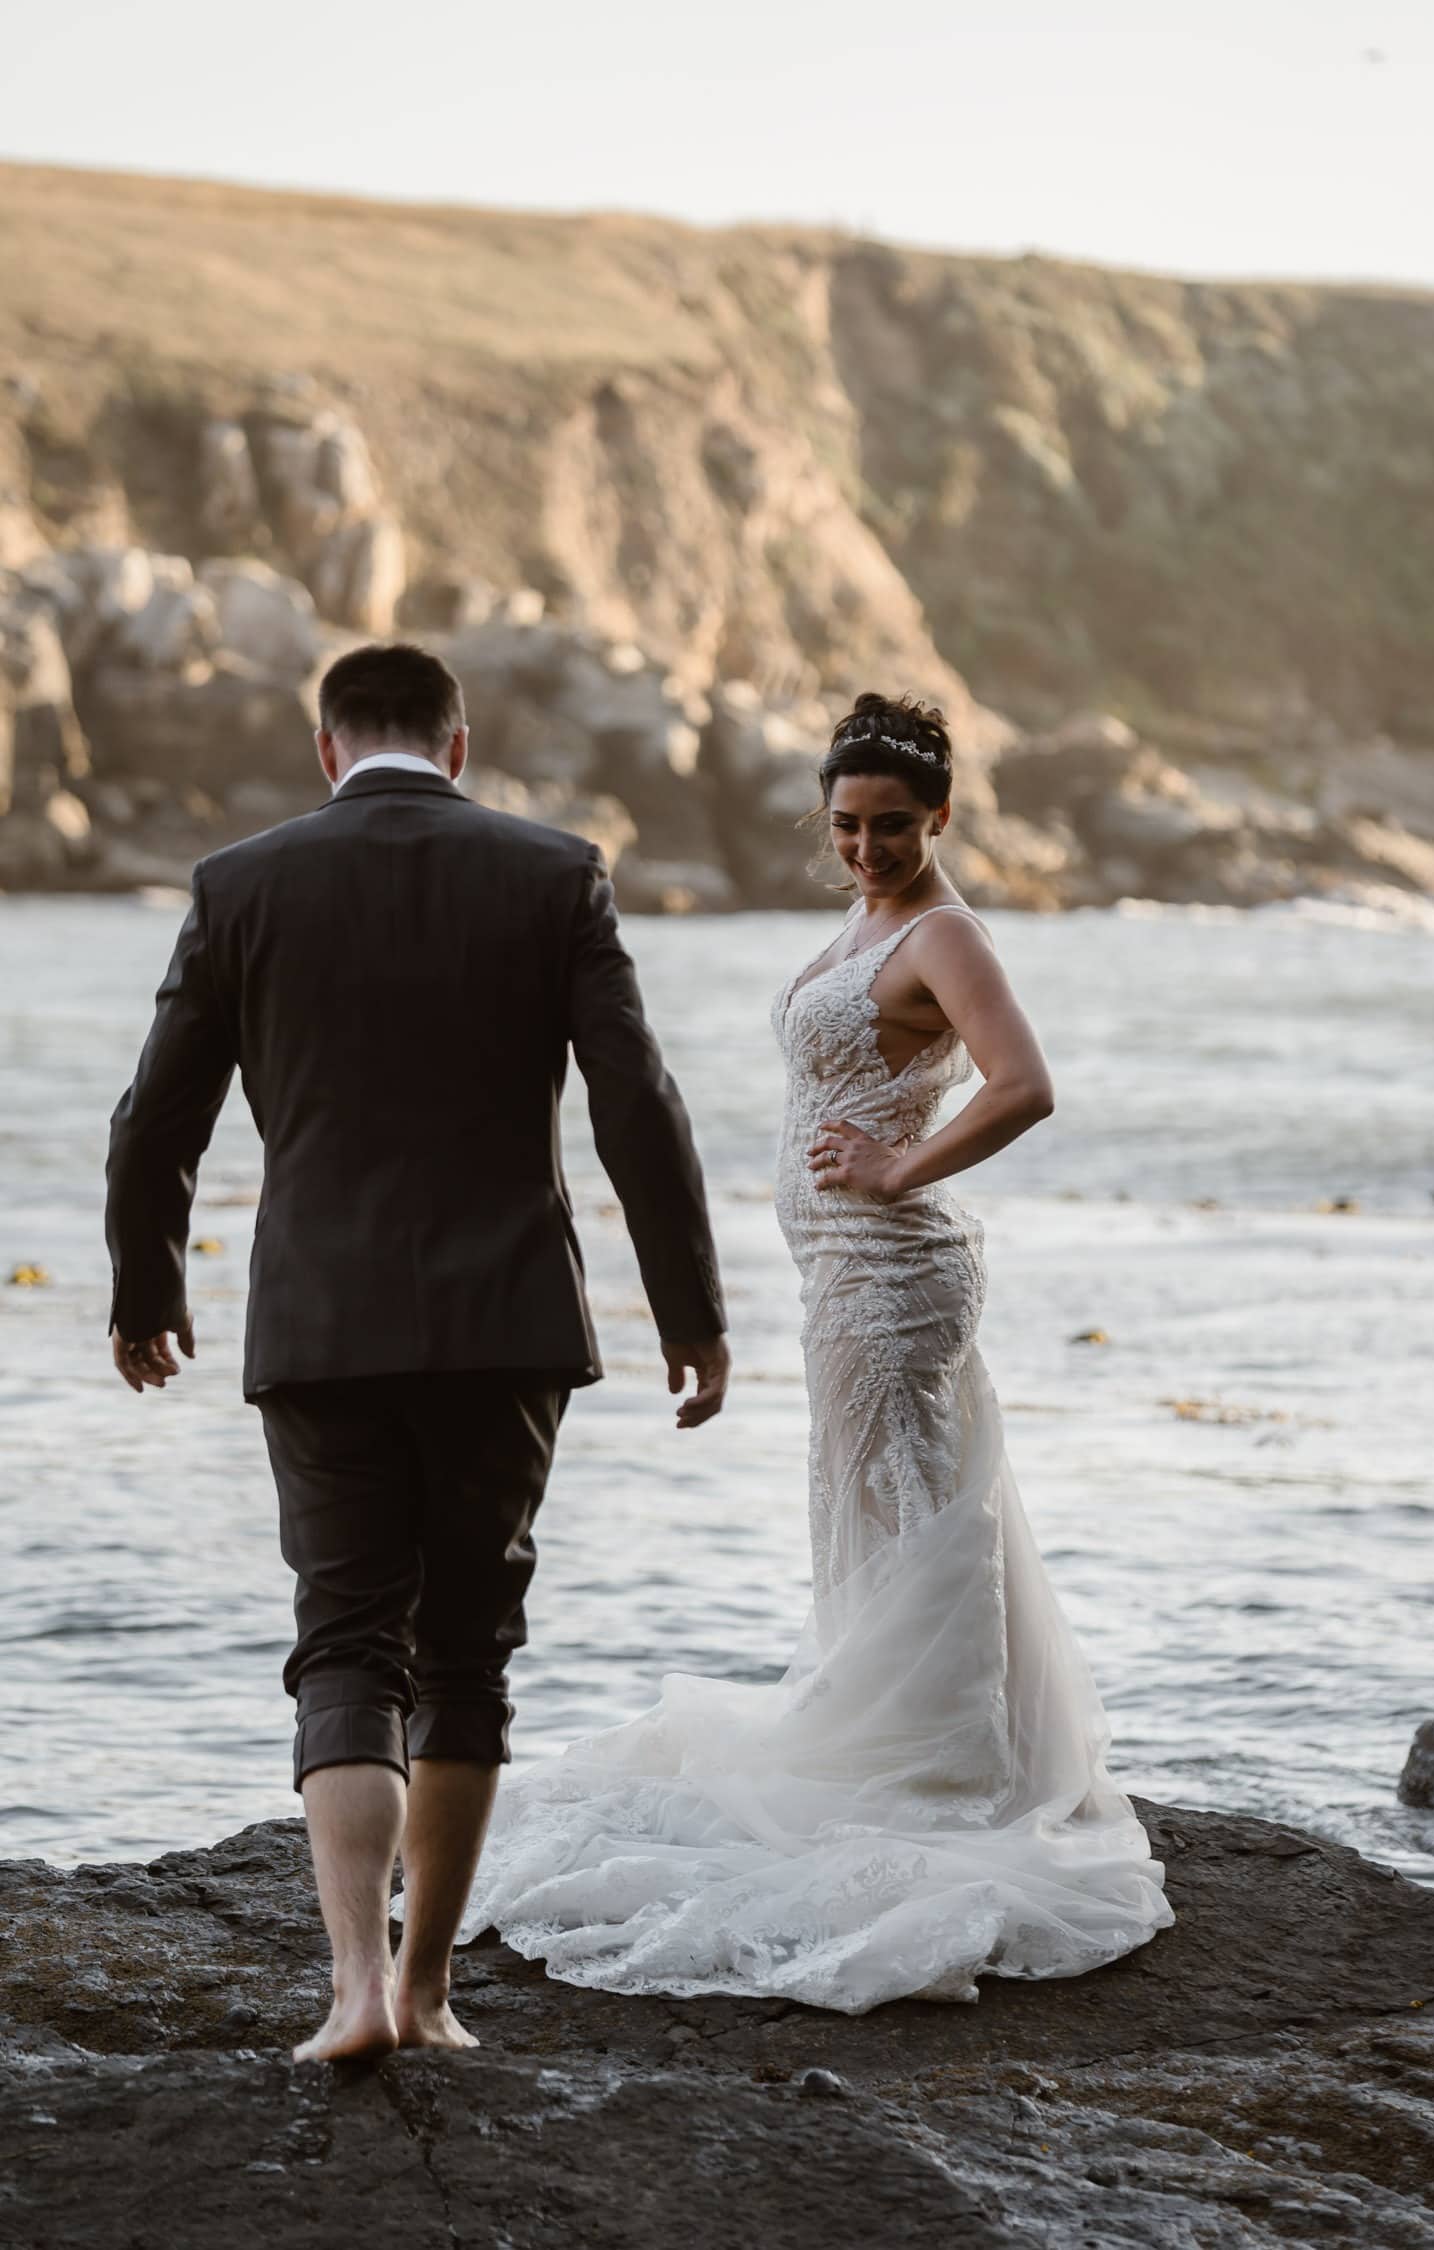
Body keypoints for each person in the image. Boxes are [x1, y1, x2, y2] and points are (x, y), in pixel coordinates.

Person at [438, 691, 1173, 2012]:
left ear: (941, 816)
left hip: (896, 1271)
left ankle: (932, 1771)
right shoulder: (869, 916)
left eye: (894, 825)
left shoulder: (945, 930)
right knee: (876, 1509)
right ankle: (924, 1742)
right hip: (845, 1271)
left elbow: (1024, 1082)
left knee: (900, 1511)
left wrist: (900, 1165)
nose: (868, 847)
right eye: (847, 825)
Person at [103, 641, 729, 2061]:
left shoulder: (240, 884)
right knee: (465, 1650)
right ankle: (432, 1988)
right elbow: (641, 1104)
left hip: (321, 1326)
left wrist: (147, 1290)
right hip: (506, 1323)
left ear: (328, 749)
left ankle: (350, 1989)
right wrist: (689, 1311)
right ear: (458, 745)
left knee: (343, 1638)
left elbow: (156, 1123)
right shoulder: (554, 872)